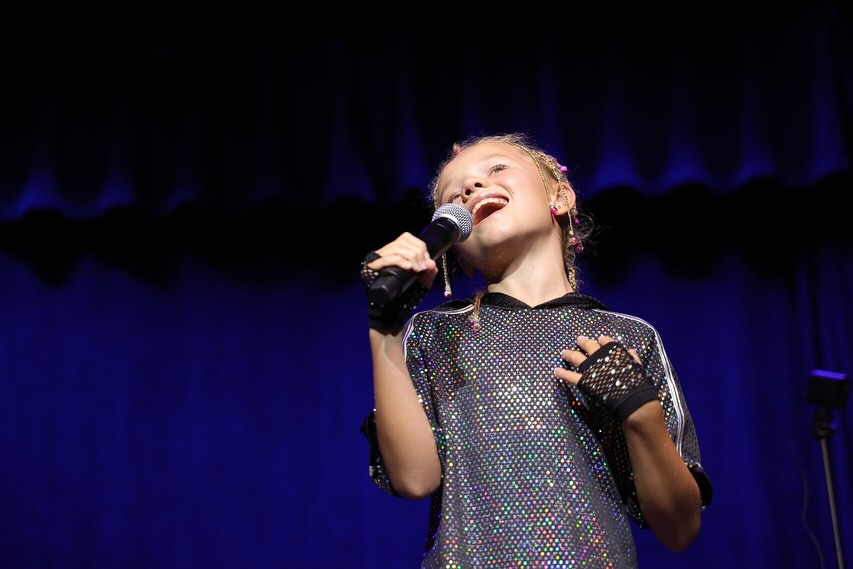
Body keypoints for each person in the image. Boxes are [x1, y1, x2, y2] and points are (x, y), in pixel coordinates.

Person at [358, 132, 712, 568]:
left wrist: (640, 414)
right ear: (456, 247)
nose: (469, 187)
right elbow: (414, 479)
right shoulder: (436, 333)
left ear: (560, 197)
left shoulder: (626, 337)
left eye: (496, 168)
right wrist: (384, 328)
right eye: (452, 196)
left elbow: (679, 529)